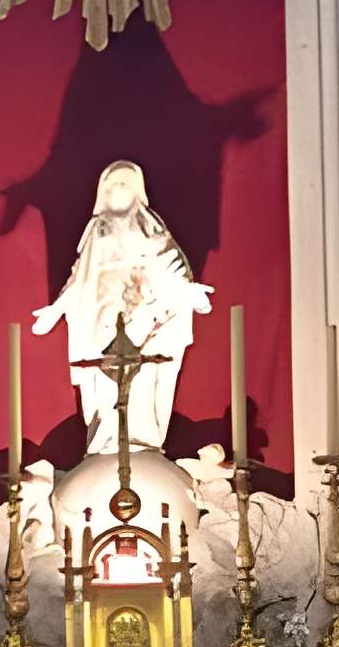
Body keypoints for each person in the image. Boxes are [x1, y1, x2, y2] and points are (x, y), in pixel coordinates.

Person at [31, 160, 213, 455]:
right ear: (103, 191)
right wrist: (56, 310)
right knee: (102, 389)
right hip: (100, 321)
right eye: (113, 184)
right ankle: (105, 444)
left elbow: (170, 264)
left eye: (125, 184)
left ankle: (141, 443)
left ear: (136, 191)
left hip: (140, 320)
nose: (118, 190)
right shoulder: (96, 231)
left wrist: (188, 291)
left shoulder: (148, 226)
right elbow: (81, 278)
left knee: (140, 383)